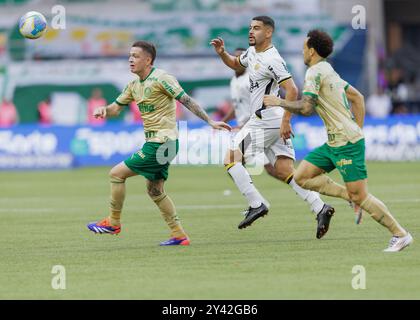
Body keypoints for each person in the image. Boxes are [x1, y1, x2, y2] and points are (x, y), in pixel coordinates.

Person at [263, 29, 413, 252]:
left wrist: (279, 101)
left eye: (304, 47)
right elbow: (358, 98)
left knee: (361, 195)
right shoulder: (327, 69)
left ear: (312, 50)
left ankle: (400, 234)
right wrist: (356, 130)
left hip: (346, 144)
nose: (302, 51)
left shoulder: (315, 72)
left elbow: (306, 107)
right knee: (302, 177)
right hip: (336, 142)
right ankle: (348, 196)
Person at [87, 40, 231, 245]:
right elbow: (116, 107)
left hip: (162, 143)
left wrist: (209, 121)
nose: (130, 59)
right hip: (159, 144)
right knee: (155, 191)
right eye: (129, 55)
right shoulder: (134, 85)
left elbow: (186, 100)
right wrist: (104, 109)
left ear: (148, 60)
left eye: (135, 56)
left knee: (116, 174)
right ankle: (179, 235)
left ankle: (113, 222)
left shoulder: (162, 78)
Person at [211, 16, 335, 237]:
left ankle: (256, 202)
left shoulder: (272, 59)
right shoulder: (251, 53)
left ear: (268, 33)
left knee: (231, 159)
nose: (251, 31)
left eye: (256, 28)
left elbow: (292, 90)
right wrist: (222, 52)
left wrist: (286, 121)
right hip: (271, 119)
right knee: (285, 170)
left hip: (266, 118)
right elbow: (234, 63)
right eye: (250, 28)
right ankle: (320, 207)